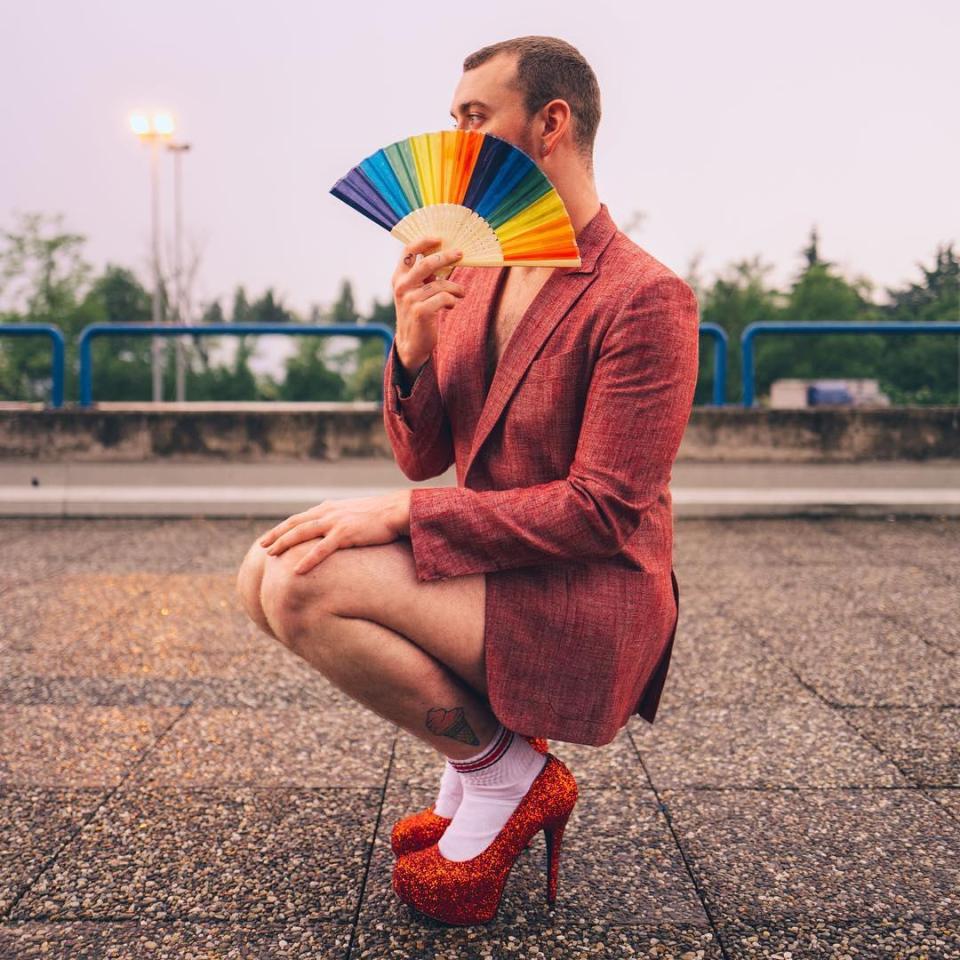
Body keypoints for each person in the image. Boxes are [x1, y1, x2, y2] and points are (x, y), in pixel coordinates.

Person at [236, 35, 700, 926]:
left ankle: (505, 774)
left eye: (476, 119)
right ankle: (484, 765)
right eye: (453, 120)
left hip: (591, 591)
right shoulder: (477, 272)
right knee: (266, 567)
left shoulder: (644, 296)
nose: (455, 142)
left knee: (304, 583)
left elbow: (602, 512)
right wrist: (409, 346)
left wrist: (405, 518)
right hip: (502, 568)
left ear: (551, 124)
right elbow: (423, 452)